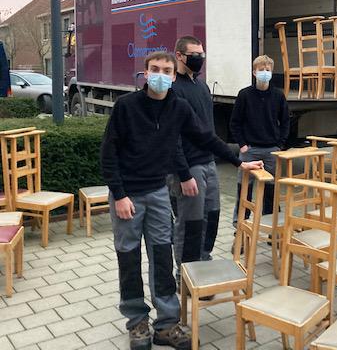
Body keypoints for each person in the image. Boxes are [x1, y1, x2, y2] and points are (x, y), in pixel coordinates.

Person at [101, 51, 262, 350]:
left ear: (174, 76)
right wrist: (120, 195)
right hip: (128, 196)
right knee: (129, 258)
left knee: (162, 256)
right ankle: (137, 321)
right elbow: (108, 155)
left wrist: (240, 162)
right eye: (154, 69)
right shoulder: (126, 107)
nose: (160, 74)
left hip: (159, 193)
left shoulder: (179, 108)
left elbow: (206, 138)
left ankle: (166, 324)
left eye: (166, 70)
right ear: (145, 73)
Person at [168, 36, 223, 284]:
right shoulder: (172, 88)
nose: (199, 58)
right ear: (179, 55)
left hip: (208, 163)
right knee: (189, 224)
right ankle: (186, 275)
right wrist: (184, 174)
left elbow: (207, 130)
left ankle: (204, 263)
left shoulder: (201, 86)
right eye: (194, 54)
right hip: (188, 168)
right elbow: (172, 137)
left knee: (211, 217)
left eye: (202, 53)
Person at [230, 54, 290, 226]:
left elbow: (286, 121)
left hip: (272, 151)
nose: (265, 73)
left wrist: (280, 144)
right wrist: (242, 145)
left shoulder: (278, 96)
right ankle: (241, 224)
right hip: (250, 151)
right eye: (261, 70)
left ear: (272, 72)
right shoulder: (244, 95)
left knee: (271, 191)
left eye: (268, 70)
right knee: (244, 189)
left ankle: (270, 224)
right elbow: (235, 123)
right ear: (254, 72)